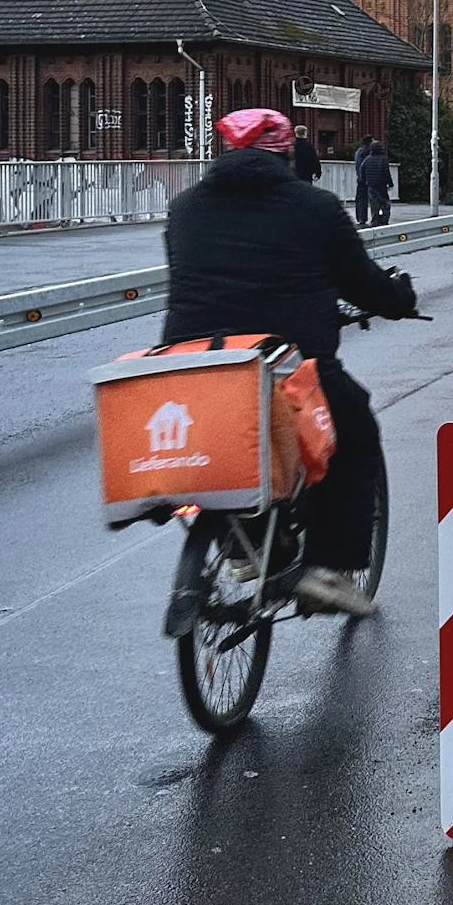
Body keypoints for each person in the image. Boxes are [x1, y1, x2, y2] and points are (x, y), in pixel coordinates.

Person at [160, 108, 417, 624]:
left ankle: (243, 546)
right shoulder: (314, 207)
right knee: (353, 430)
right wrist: (399, 297)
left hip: (194, 369)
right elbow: (362, 282)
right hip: (285, 365)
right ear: (286, 154)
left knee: (229, 441)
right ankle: (327, 567)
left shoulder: (185, 207)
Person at [357, 138, 393, 227]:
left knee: (374, 203)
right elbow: (386, 172)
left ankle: (375, 220)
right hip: (381, 185)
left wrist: (365, 181)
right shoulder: (383, 159)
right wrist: (390, 183)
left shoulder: (367, 159)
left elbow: (362, 170)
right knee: (385, 202)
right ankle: (384, 219)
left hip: (370, 185)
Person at [352, 135, 375, 225]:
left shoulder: (358, 152)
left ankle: (361, 218)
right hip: (369, 178)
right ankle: (376, 218)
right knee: (375, 199)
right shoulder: (369, 152)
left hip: (360, 178)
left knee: (361, 199)